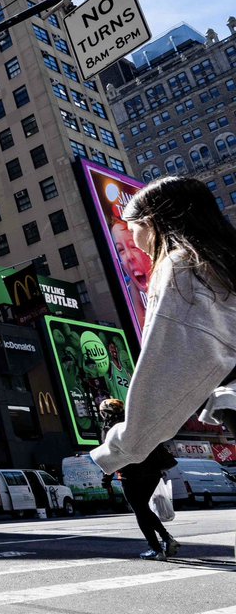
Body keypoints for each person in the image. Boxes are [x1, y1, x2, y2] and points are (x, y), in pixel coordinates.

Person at [91, 176, 236, 558]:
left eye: (131, 225)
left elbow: (166, 372)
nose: (131, 235)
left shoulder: (179, 267)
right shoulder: (223, 257)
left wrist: (118, 449)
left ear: (151, 222)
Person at [98, 398, 178, 560]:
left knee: (140, 511)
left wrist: (106, 478)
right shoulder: (135, 423)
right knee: (143, 508)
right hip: (153, 472)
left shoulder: (110, 429)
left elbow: (112, 456)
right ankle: (166, 539)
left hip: (131, 474)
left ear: (106, 413)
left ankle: (156, 548)